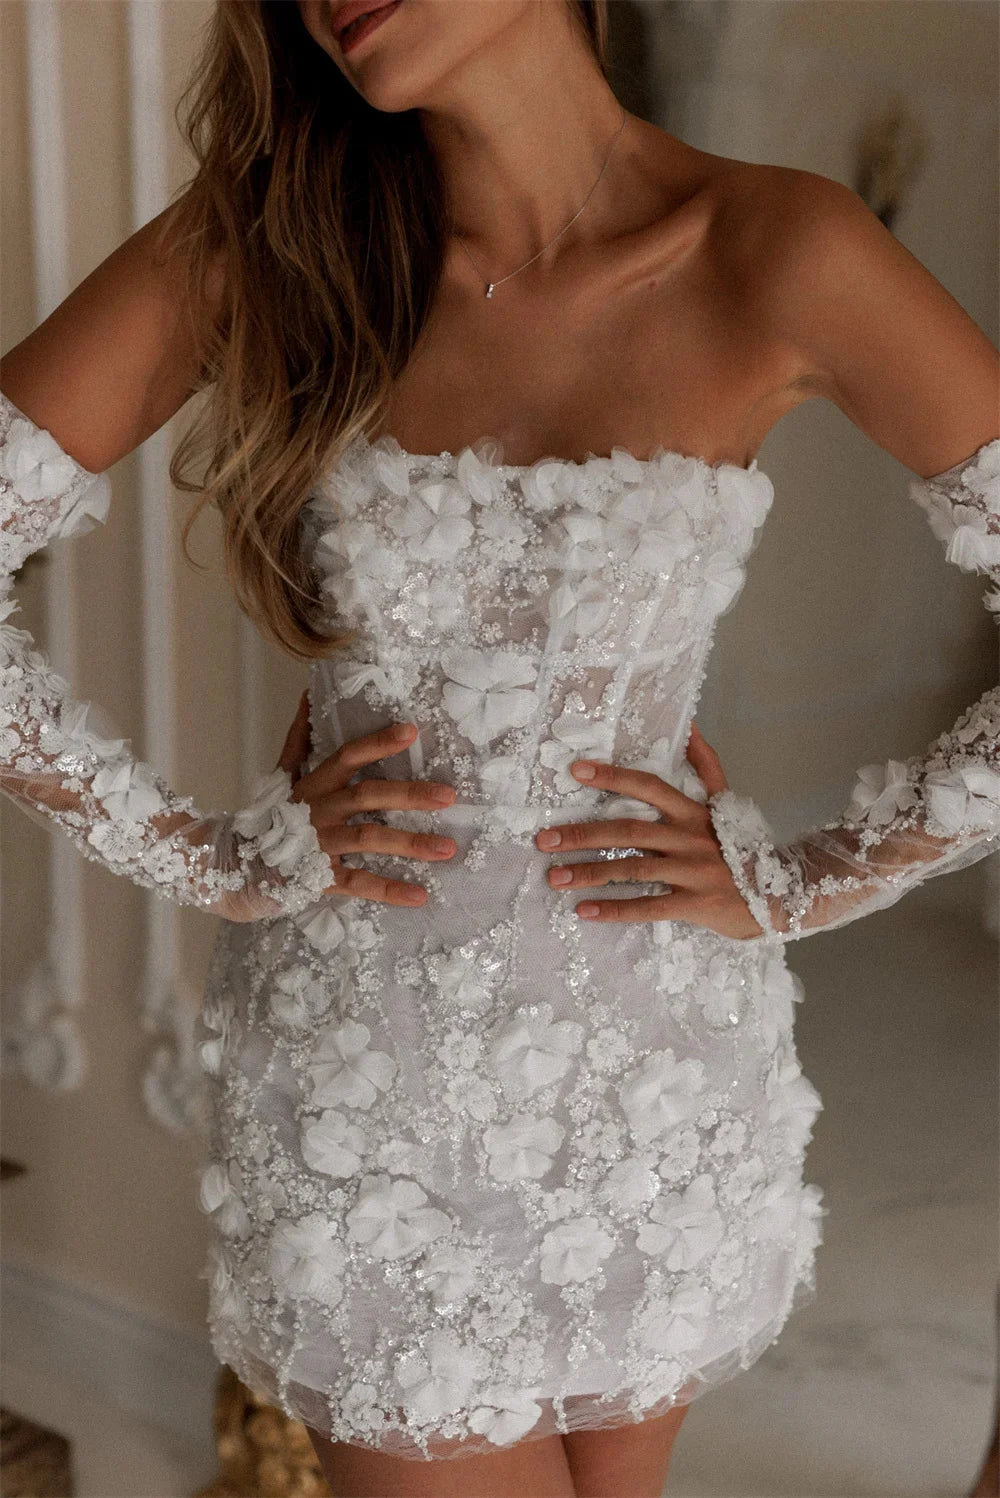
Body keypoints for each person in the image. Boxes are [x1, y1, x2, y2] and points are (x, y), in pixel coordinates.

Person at [2, 2, 998, 1494]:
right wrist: (192, 848)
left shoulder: (780, 249)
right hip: (376, 1082)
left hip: (660, 1076)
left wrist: (809, 880)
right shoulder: (263, 246)